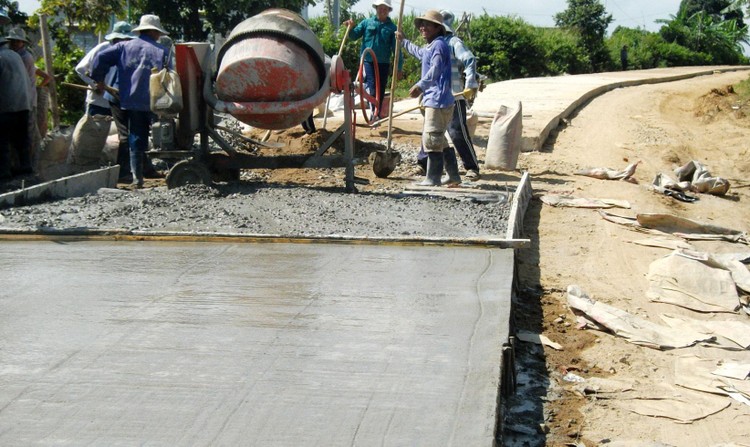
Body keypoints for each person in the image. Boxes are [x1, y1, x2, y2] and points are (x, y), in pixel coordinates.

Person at [91, 14, 170, 188]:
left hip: (121, 96)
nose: (158, 36)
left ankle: (133, 175)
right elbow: (168, 77)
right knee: (137, 135)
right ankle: (137, 178)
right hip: (143, 100)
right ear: (152, 31)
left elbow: (100, 58)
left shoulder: (123, 47)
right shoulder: (161, 51)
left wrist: (99, 80)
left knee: (126, 135)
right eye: (157, 33)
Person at [396, 9, 458, 186]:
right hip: (439, 100)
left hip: (437, 100)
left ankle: (433, 178)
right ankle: (453, 175)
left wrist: (420, 85)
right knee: (439, 138)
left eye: (428, 25)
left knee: (431, 138)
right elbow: (420, 53)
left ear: (438, 28)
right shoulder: (433, 45)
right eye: (422, 25)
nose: (423, 27)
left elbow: (436, 68)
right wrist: (404, 42)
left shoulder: (439, 45)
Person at [416, 9, 481, 180]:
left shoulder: (453, 42)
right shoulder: (430, 45)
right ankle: (424, 165)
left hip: (453, 95)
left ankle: (471, 167)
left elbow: (469, 59)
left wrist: (471, 82)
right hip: (434, 96)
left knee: (456, 131)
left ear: (440, 27)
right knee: (431, 131)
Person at [76, 21, 136, 179]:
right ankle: (86, 168)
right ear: (115, 38)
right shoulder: (102, 49)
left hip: (116, 99)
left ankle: (124, 170)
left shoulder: (128, 51)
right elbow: (80, 69)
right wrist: (95, 83)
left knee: (125, 134)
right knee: (94, 134)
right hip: (99, 101)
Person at [343, 0, 403, 119]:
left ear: (388, 11)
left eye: (385, 8)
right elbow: (354, 36)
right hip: (368, 60)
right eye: (380, 8)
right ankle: (373, 112)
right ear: (376, 9)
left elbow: (397, 50)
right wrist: (350, 27)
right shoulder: (366, 22)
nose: (382, 10)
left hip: (383, 63)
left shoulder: (392, 28)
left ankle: (377, 112)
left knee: (380, 88)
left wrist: (399, 68)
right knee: (372, 85)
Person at [5, 27, 53, 168]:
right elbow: (45, 76)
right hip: (22, 99)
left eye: (17, 42)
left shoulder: (24, 58)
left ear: (22, 43)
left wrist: (35, 88)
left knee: (28, 134)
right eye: (12, 42)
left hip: (25, 101)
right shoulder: (18, 56)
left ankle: (30, 164)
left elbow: (44, 77)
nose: (14, 44)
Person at [0, 34, 32, 179]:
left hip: (7, 106)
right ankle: (26, 170)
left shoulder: (1, 57)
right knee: (22, 141)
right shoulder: (15, 56)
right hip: (24, 104)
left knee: (3, 142)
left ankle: (4, 174)